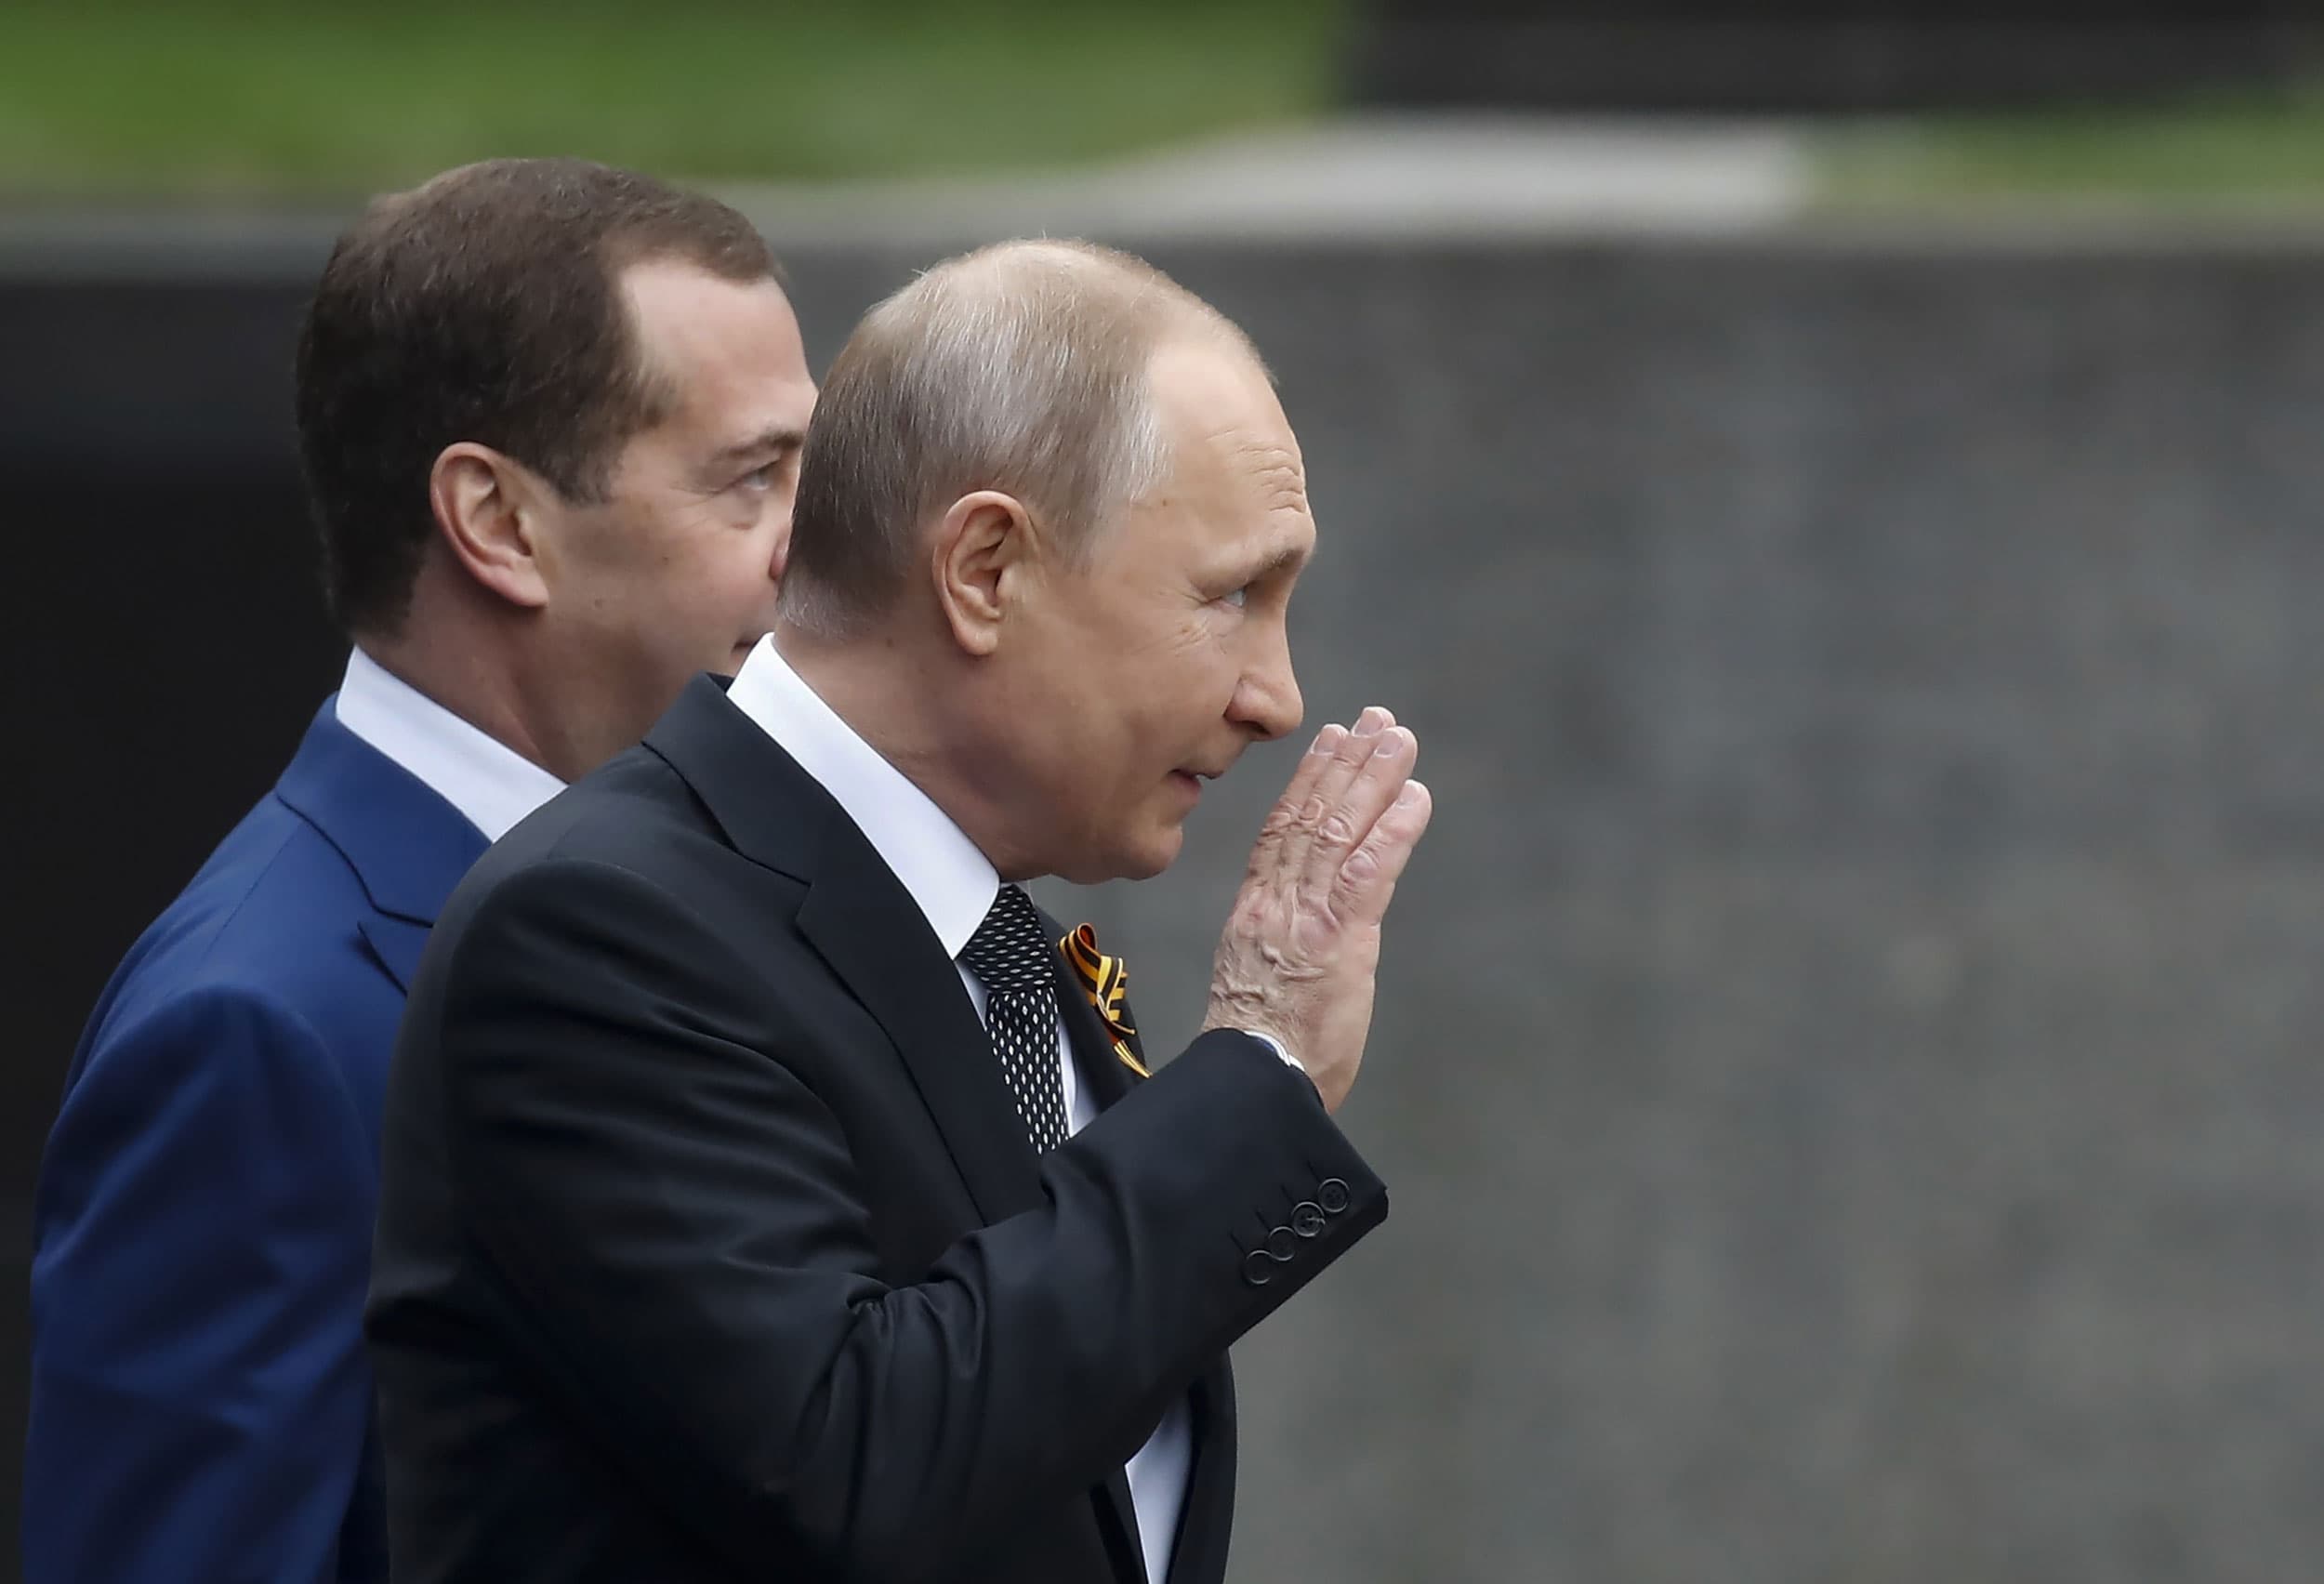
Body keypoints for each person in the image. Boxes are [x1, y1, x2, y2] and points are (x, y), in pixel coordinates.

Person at [367, 238, 1434, 1584]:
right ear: (985, 570)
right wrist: (1259, 1069)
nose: (1274, 696)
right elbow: (861, 1461)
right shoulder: (598, 932)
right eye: (1230, 596)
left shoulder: (1000, 945)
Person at [25, 157, 818, 1583]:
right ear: (500, 524)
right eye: (752, 480)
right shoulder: (260, 1033)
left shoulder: (739, 905)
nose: (812, 555)